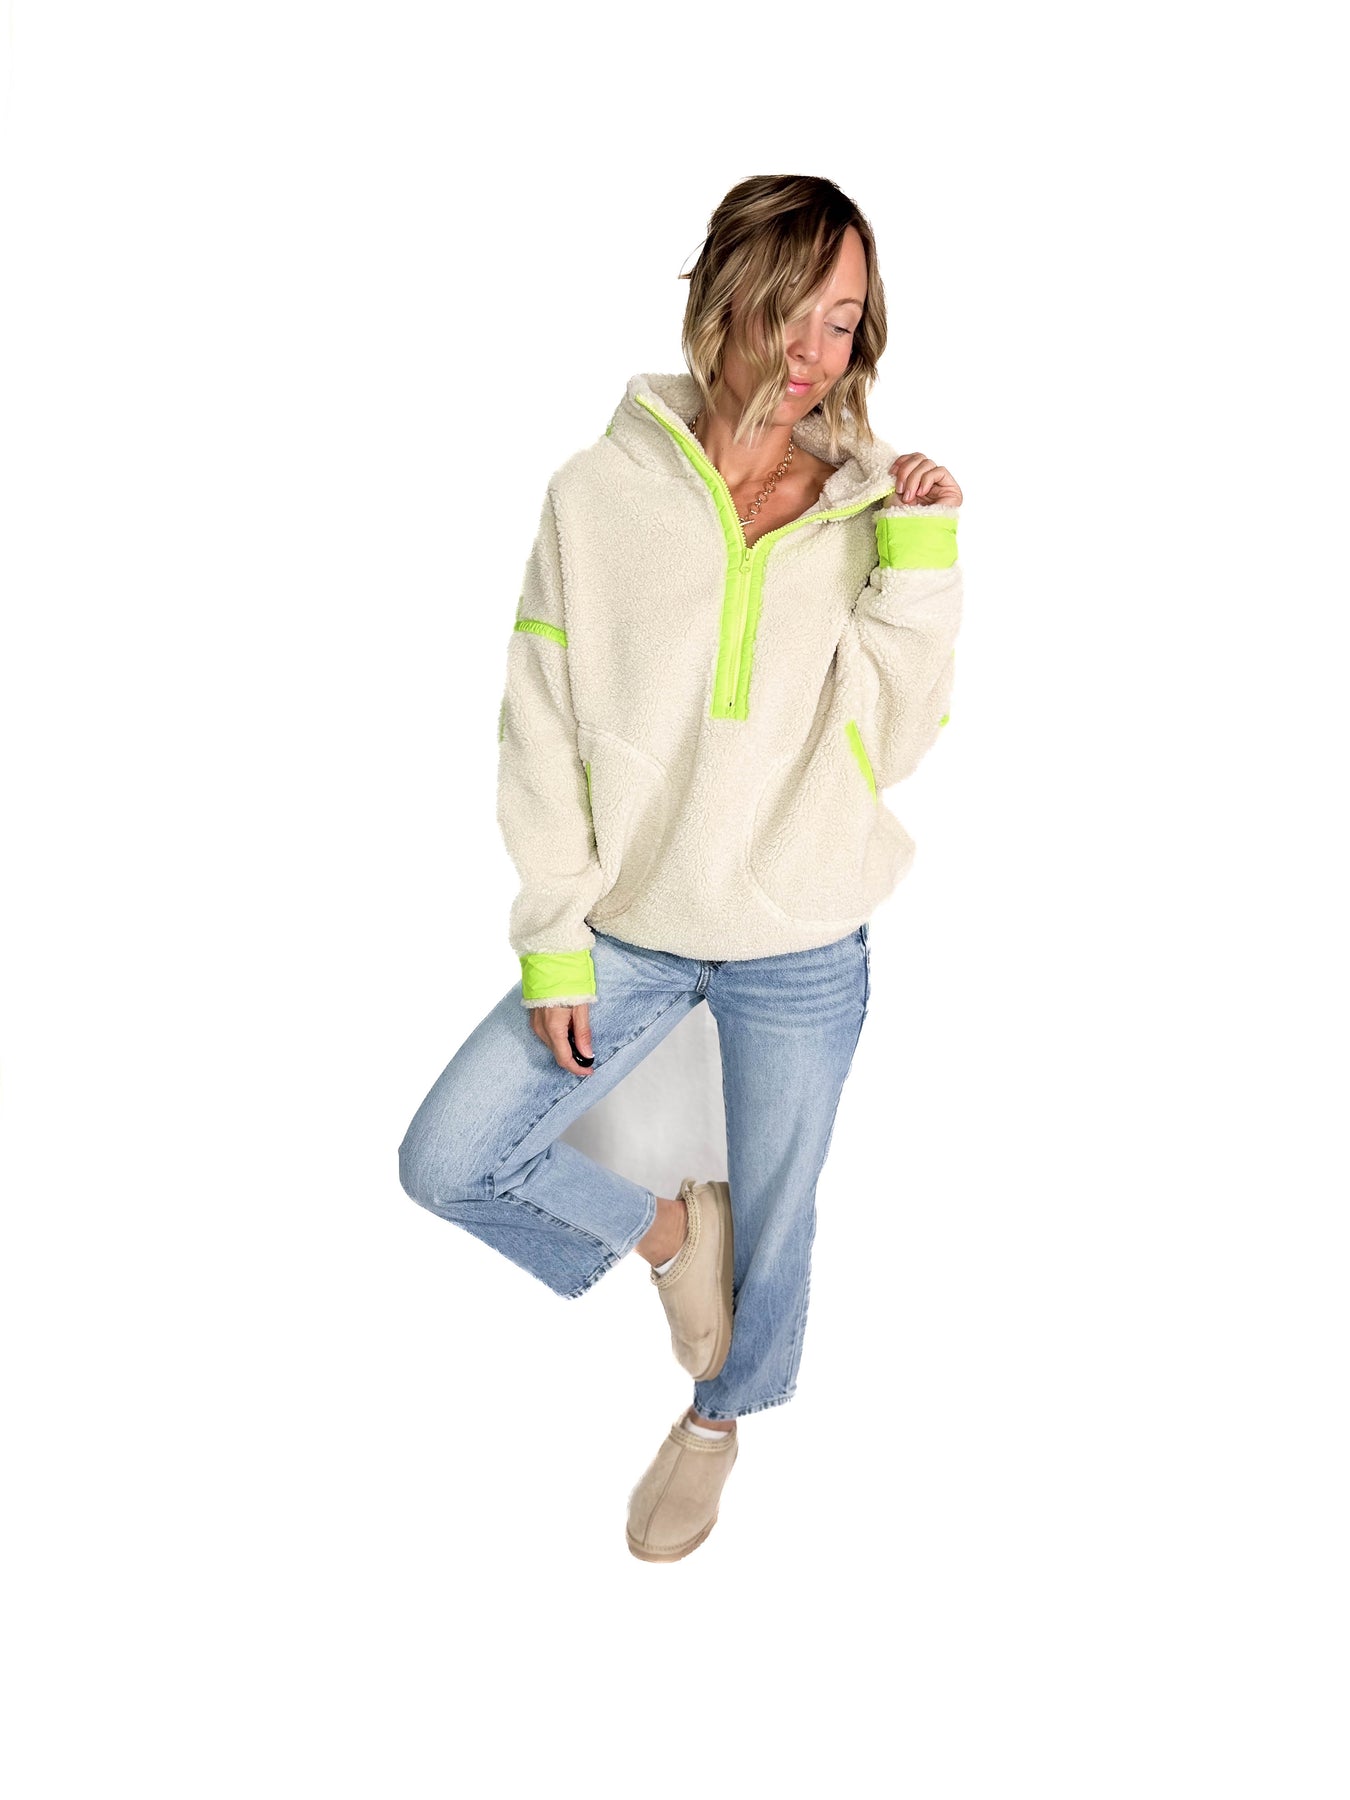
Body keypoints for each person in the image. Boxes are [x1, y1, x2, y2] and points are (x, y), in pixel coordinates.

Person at [398, 173, 965, 1562]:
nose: (815, 353)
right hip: (633, 924)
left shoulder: (868, 505)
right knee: (449, 1159)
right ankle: (667, 1234)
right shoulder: (595, 496)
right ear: (722, 299)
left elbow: (895, 742)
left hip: (802, 932)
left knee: (778, 1221)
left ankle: (716, 1420)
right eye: (792, 311)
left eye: (845, 323)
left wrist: (920, 558)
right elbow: (539, 728)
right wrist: (555, 939)